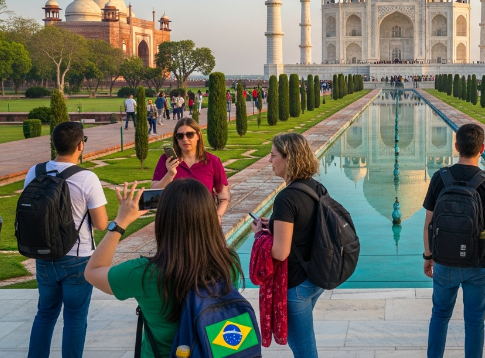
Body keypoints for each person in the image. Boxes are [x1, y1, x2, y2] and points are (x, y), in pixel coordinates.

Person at [84, 179, 244, 358]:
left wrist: (120, 222)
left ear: (164, 220)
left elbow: (92, 271)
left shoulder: (143, 273)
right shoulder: (228, 262)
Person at [423, 124, 485, 358]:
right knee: (474, 321)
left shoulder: (440, 178)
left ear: (456, 146)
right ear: (482, 148)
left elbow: (429, 224)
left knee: (440, 316)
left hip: (444, 260)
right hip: (478, 262)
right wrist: (480, 226)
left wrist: (428, 257)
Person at [24, 122, 108, 358]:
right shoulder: (87, 178)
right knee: (75, 318)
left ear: (55, 144)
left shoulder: (36, 172)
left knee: (45, 313)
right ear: (80, 145)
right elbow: (101, 224)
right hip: (77, 258)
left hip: (44, 254)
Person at [251, 132, 325, 357]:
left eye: (273, 155)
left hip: (296, 285)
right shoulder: (315, 187)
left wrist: (260, 236)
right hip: (315, 278)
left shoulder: (286, 198)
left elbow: (280, 252)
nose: (269, 160)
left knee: (304, 351)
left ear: (288, 158)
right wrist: (272, 225)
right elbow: (302, 228)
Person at [151, 118, 230, 223]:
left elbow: (224, 197)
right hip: (174, 223)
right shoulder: (167, 160)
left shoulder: (212, 161)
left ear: (198, 136)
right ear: (176, 139)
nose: (185, 139)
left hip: (204, 222)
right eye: (180, 136)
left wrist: (217, 216)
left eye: (190, 134)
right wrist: (170, 174)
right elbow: (152, 196)